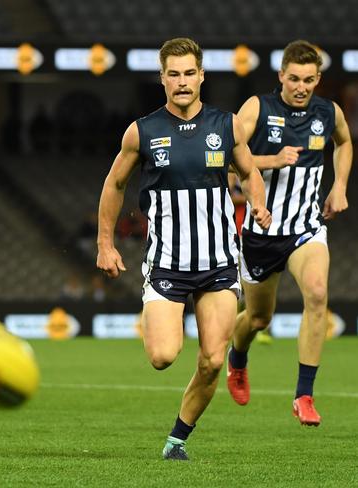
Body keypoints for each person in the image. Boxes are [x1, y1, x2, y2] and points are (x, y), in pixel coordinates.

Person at [97, 38, 271, 461]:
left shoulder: (226, 125)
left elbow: (249, 171)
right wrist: (105, 242)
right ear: (162, 79)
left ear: (201, 75)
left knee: (212, 360)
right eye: (173, 74)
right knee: (162, 357)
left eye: (189, 72)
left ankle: (177, 439)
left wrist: (260, 203)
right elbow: (115, 184)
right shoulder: (143, 131)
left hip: (218, 265)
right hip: (167, 265)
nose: (182, 81)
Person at [226, 40, 353, 426]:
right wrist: (271, 160)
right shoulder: (257, 108)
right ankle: (238, 357)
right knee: (258, 319)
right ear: (281, 75)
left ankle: (304, 395)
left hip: (305, 228)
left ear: (318, 79)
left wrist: (340, 186)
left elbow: (344, 143)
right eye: (294, 78)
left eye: (309, 80)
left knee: (316, 293)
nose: (301, 86)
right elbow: (226, 161)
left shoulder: (327, 112)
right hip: (262, 232)